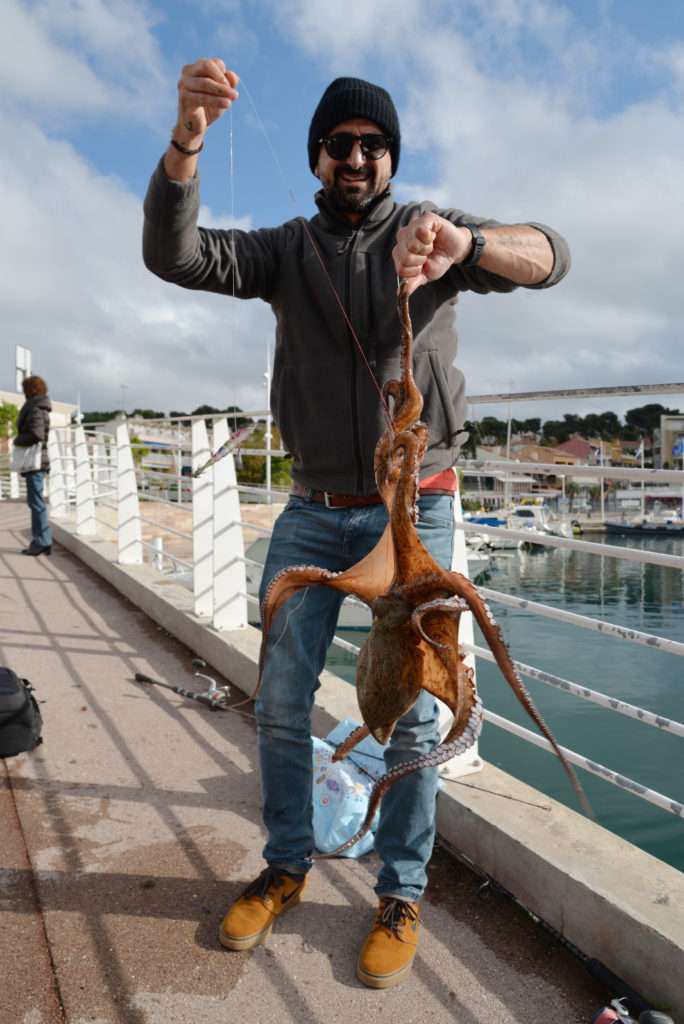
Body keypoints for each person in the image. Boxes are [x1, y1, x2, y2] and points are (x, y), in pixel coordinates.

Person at [143, 60, 570, 989]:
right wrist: (187, 139)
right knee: (284, 704)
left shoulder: (431, 233)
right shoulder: (284, 250)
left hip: (421, 508)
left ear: (391, 159)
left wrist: (467, 241)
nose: (359, 158)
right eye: (341, 144)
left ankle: (401, 889)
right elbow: (174, 257)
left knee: (417, 722)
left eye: (374, 146)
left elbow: (551, 256)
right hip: (312, 510)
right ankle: (287, 865)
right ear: (318, 156)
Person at [15, 375, 53, 557]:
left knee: (36, 503)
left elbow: (37, 434)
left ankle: (41, 542)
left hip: (35, 462)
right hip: (38, 461)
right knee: (36, 502)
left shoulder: (35, 409)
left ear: (30, 390)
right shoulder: (41, 408)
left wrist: (17, 440)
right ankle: (42, 541)